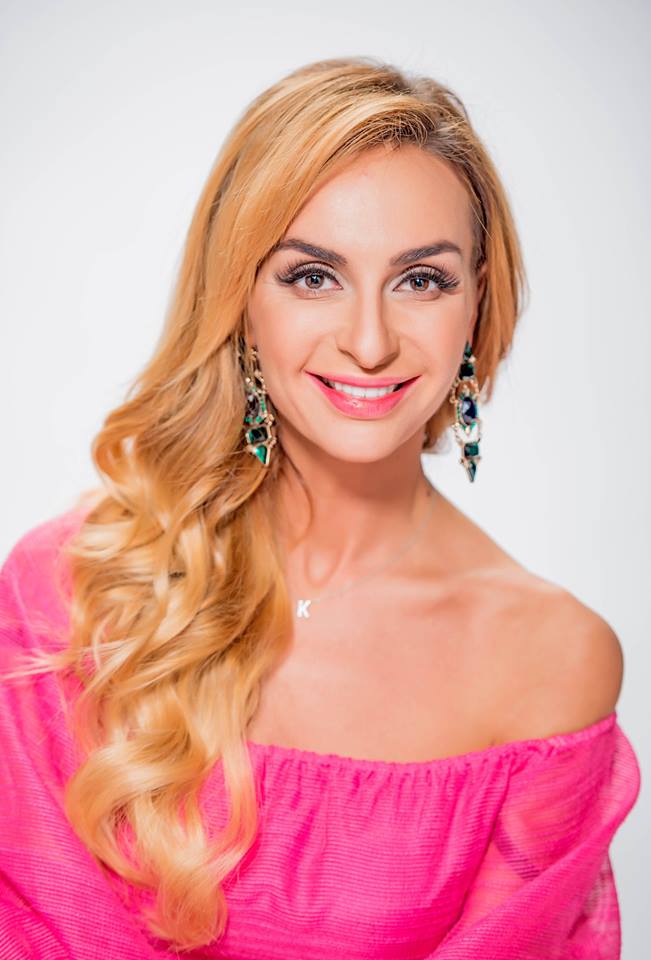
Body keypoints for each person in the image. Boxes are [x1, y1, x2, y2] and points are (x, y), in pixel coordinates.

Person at [0, 56, 641, 960]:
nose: (369, 342)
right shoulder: (72, 591)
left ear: (476, 300)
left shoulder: (552, 660)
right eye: (312, 276)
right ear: (238, 297)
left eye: (421, 280)